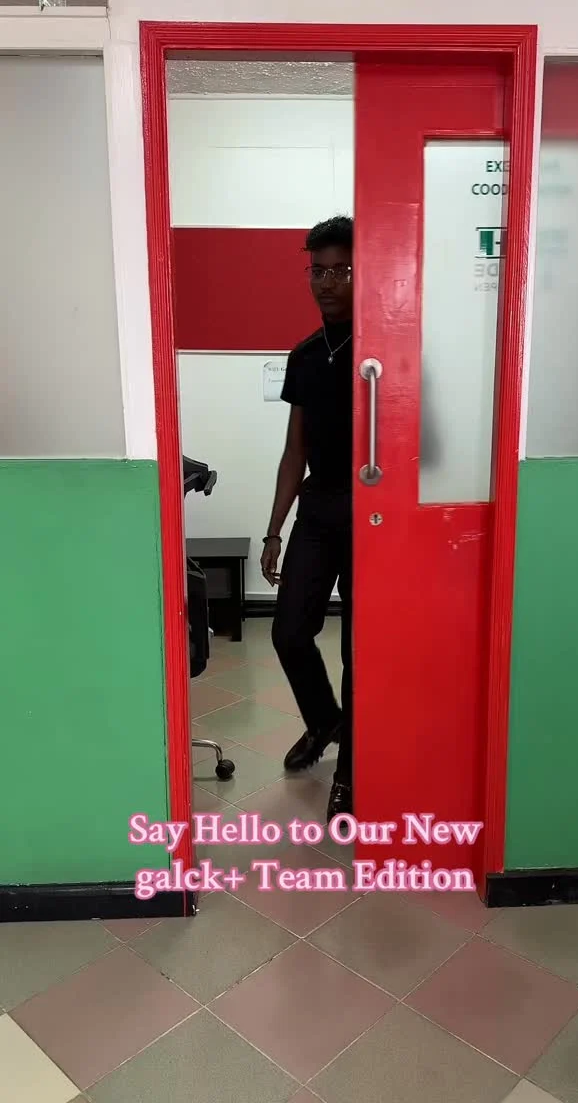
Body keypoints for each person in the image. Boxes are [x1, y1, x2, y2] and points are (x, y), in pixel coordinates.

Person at [261, 215, 353, 825]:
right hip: (318, 508)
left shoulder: (384, 349)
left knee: (359, 649)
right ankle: (325, 721)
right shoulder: (304, 356)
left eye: (340, 270)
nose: (326, 282)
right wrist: (274, 529)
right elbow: (295, 449)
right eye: (317, 271)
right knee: (289, 631)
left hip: (374, 513)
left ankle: (352, 770)